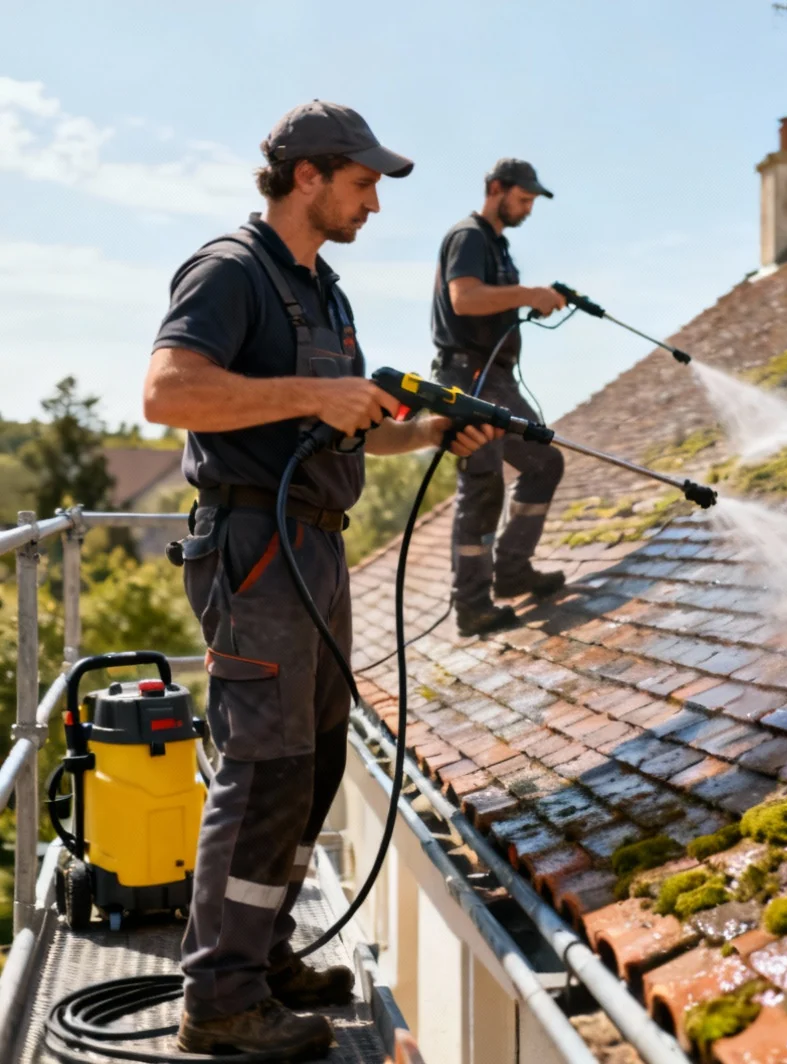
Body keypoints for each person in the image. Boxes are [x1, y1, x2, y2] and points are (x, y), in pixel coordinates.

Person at [144, 101, 501, 1058]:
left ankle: (262, 954)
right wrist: (313, 392)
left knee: (318, 758)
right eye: (364, 182)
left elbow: (347, 422)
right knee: (262, 767)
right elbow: (168, 391)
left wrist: (423, 431)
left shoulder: (325, 293)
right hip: (254, 546)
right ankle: (218, 999)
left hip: (315, 544)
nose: (375, 202)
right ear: (308, 176)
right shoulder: (230, 272)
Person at [430, 158, 569, 637]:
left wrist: (530, 298)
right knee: (483, 486)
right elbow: (464, 299)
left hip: (497, 377)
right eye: (523, 199)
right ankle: (470, 605)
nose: (528, 208)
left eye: (532, 201)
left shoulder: (497, 246)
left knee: (544, 463)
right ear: (495, 189)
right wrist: (528, 292)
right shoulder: (468, 236)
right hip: (469, 378)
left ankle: (511, 570)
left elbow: (492, 300)